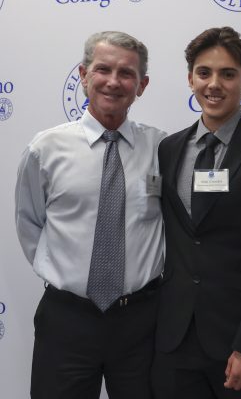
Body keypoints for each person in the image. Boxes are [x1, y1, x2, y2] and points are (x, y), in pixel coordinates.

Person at [15, 31, 165, 399]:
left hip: (141, 322)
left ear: (141, 85)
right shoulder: (45, 149)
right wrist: (64, 274)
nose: (114, 81)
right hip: (67, 319)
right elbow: (29, 222)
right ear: (83, 75)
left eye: (126, 73)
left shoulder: (163, 148)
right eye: (103, 69)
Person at [151, 26, 241, 399]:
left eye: (228, 74)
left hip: (240, 342)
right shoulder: (168, 149)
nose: (214, 84)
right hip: (174, 339)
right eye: (204, 73)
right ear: (190, 79)